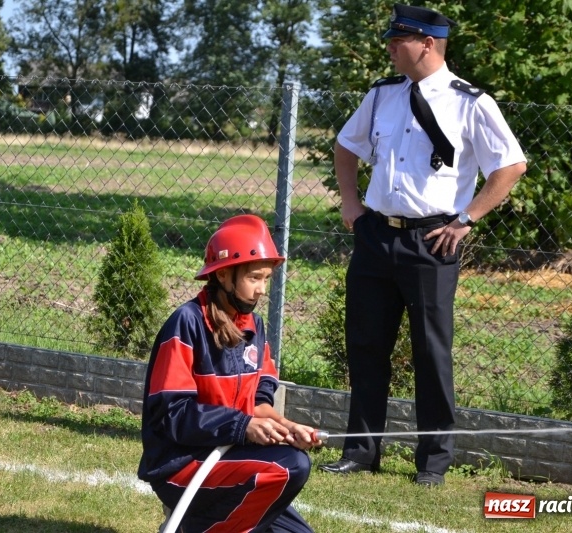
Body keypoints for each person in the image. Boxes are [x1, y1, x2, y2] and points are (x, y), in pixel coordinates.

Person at [318, 3, 527, 487]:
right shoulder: (383, 94)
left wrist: (466, 220)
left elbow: (511, 166)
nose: (390, 49)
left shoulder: (471, 102)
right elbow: (346, 146)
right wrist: (350, 203)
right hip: (375, 235)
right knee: (366, 346)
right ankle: (361, 452)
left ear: (427, 44)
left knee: (431, 354)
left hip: (432, 241)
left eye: (398, 41)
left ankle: (433, 462)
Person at [138, 214, 320, 532]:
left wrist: (287, 428)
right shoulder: (186, 323)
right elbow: (173, 415)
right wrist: (244, 427)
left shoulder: (255, 327)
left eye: (266, 279)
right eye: (254, 278)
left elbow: (260, 402)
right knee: (290, 467)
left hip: (231, 458)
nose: (262, 289)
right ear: (224, 275)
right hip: (181, 465)